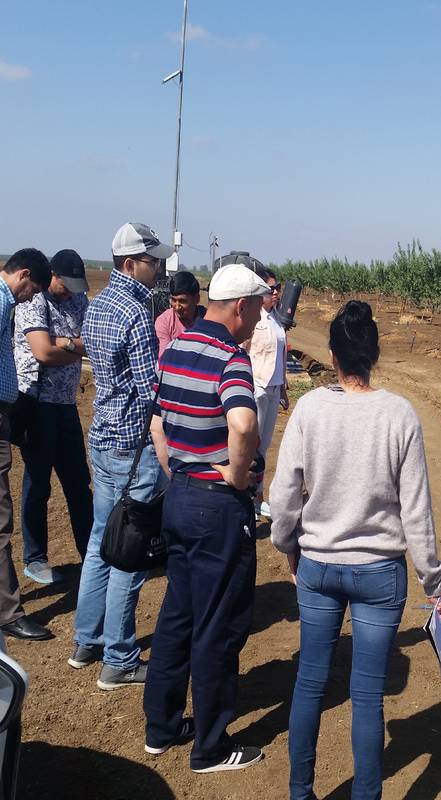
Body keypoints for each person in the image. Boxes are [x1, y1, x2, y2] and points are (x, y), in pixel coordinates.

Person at [269, 300, 441, 800]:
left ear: (332, 355)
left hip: (319, 566)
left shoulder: (310, 409)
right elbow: (416, 512)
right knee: (366, 696)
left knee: (309, 683)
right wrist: (434, 583)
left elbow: (284, 495)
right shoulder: (399, 415)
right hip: (379, 572)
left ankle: (300, 792)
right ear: (374, 354)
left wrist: (288, 548)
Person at [143, 264, 269, 773]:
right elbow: (242, 423)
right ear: (240, 306)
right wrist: (237, 478)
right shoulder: (230, 359)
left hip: (180, 497)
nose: (260, 320)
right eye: (258, 309)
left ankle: (163, 725)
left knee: (179, 612)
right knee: (218, 623)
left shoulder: (176, 349)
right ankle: (211, 747)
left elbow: (156, 422)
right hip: (217, 507)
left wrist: (179, 469)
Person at [70, 222, 172, 689]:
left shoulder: (96, 307)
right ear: (132, 264)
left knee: (99, 541)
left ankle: (86, 640)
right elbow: (151, 385)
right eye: (154, 261)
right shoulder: (134, 310)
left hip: (103, 439)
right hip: (134, 449)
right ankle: (119, 658)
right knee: (130, 553)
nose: (160, 267)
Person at [13, 249, 92, 585]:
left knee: (78, 481)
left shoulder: (79, 301)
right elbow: (42, 352)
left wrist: (68, 344)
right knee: (38, 482)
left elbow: (89, 343)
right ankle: (35, 557)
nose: (71, 291)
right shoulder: (35, 300)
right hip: (35, 401)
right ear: (53, 276)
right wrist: (71, 348)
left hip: (65, 403)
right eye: (66, 284)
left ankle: (91, 552)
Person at [0, 249, 53, 640]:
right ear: (23, 274)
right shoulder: (2, 303)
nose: (32, 297)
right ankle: (7, 612)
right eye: (32, 288)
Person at [245, 265, 288, 519]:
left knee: (263, 446)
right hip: (257, 386)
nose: (276, 293)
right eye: (271, 289)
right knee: (251, 444)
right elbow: (242, 350)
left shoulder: (275, 320)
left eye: (278, 289)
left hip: (272, 388)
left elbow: (281, 354)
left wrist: (282, 386)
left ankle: (258, 496)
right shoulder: (254, 318)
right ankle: (247, 495)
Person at [154, 271, 205, 357]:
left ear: (196, 299)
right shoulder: (164, 322)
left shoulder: (207, 319)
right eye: (173, 300)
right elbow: (165, 359)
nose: (177, 307)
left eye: (182, 301)